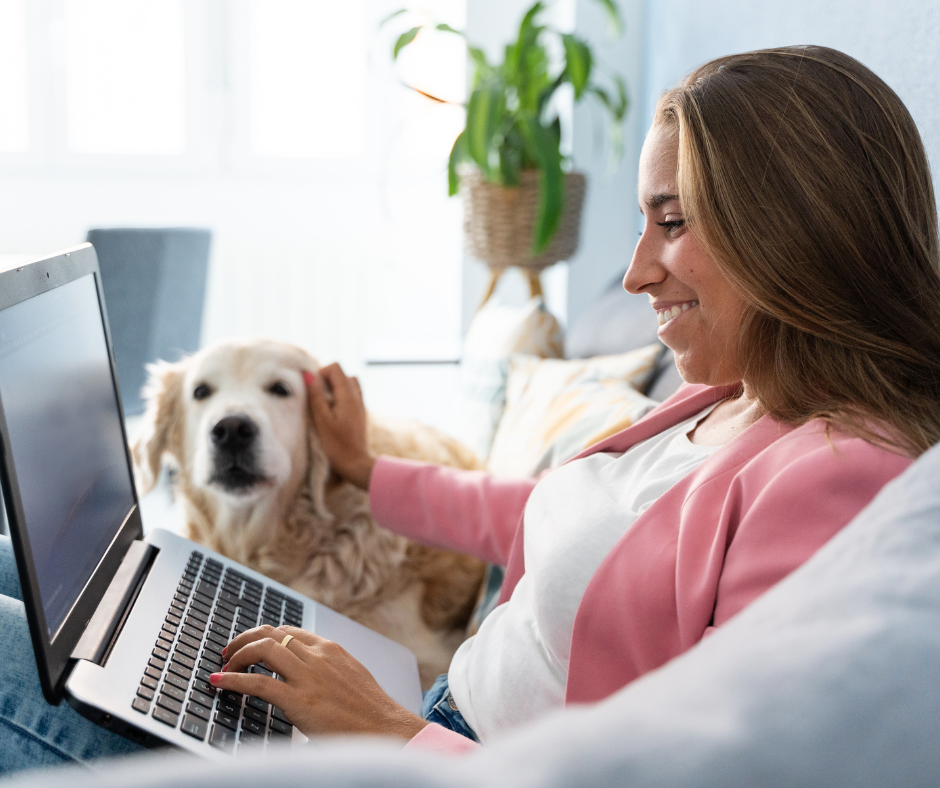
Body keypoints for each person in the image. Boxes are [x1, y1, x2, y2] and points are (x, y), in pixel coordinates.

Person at [1, 44, 939, 773]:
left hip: (426, 756)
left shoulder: (843, 477)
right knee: (46, 573)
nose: (635, 271)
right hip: (424, 711)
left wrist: (387, 732)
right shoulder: (735, 394)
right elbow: (547, 514)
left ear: (797, 229)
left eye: (674, 220)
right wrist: (368, 470)